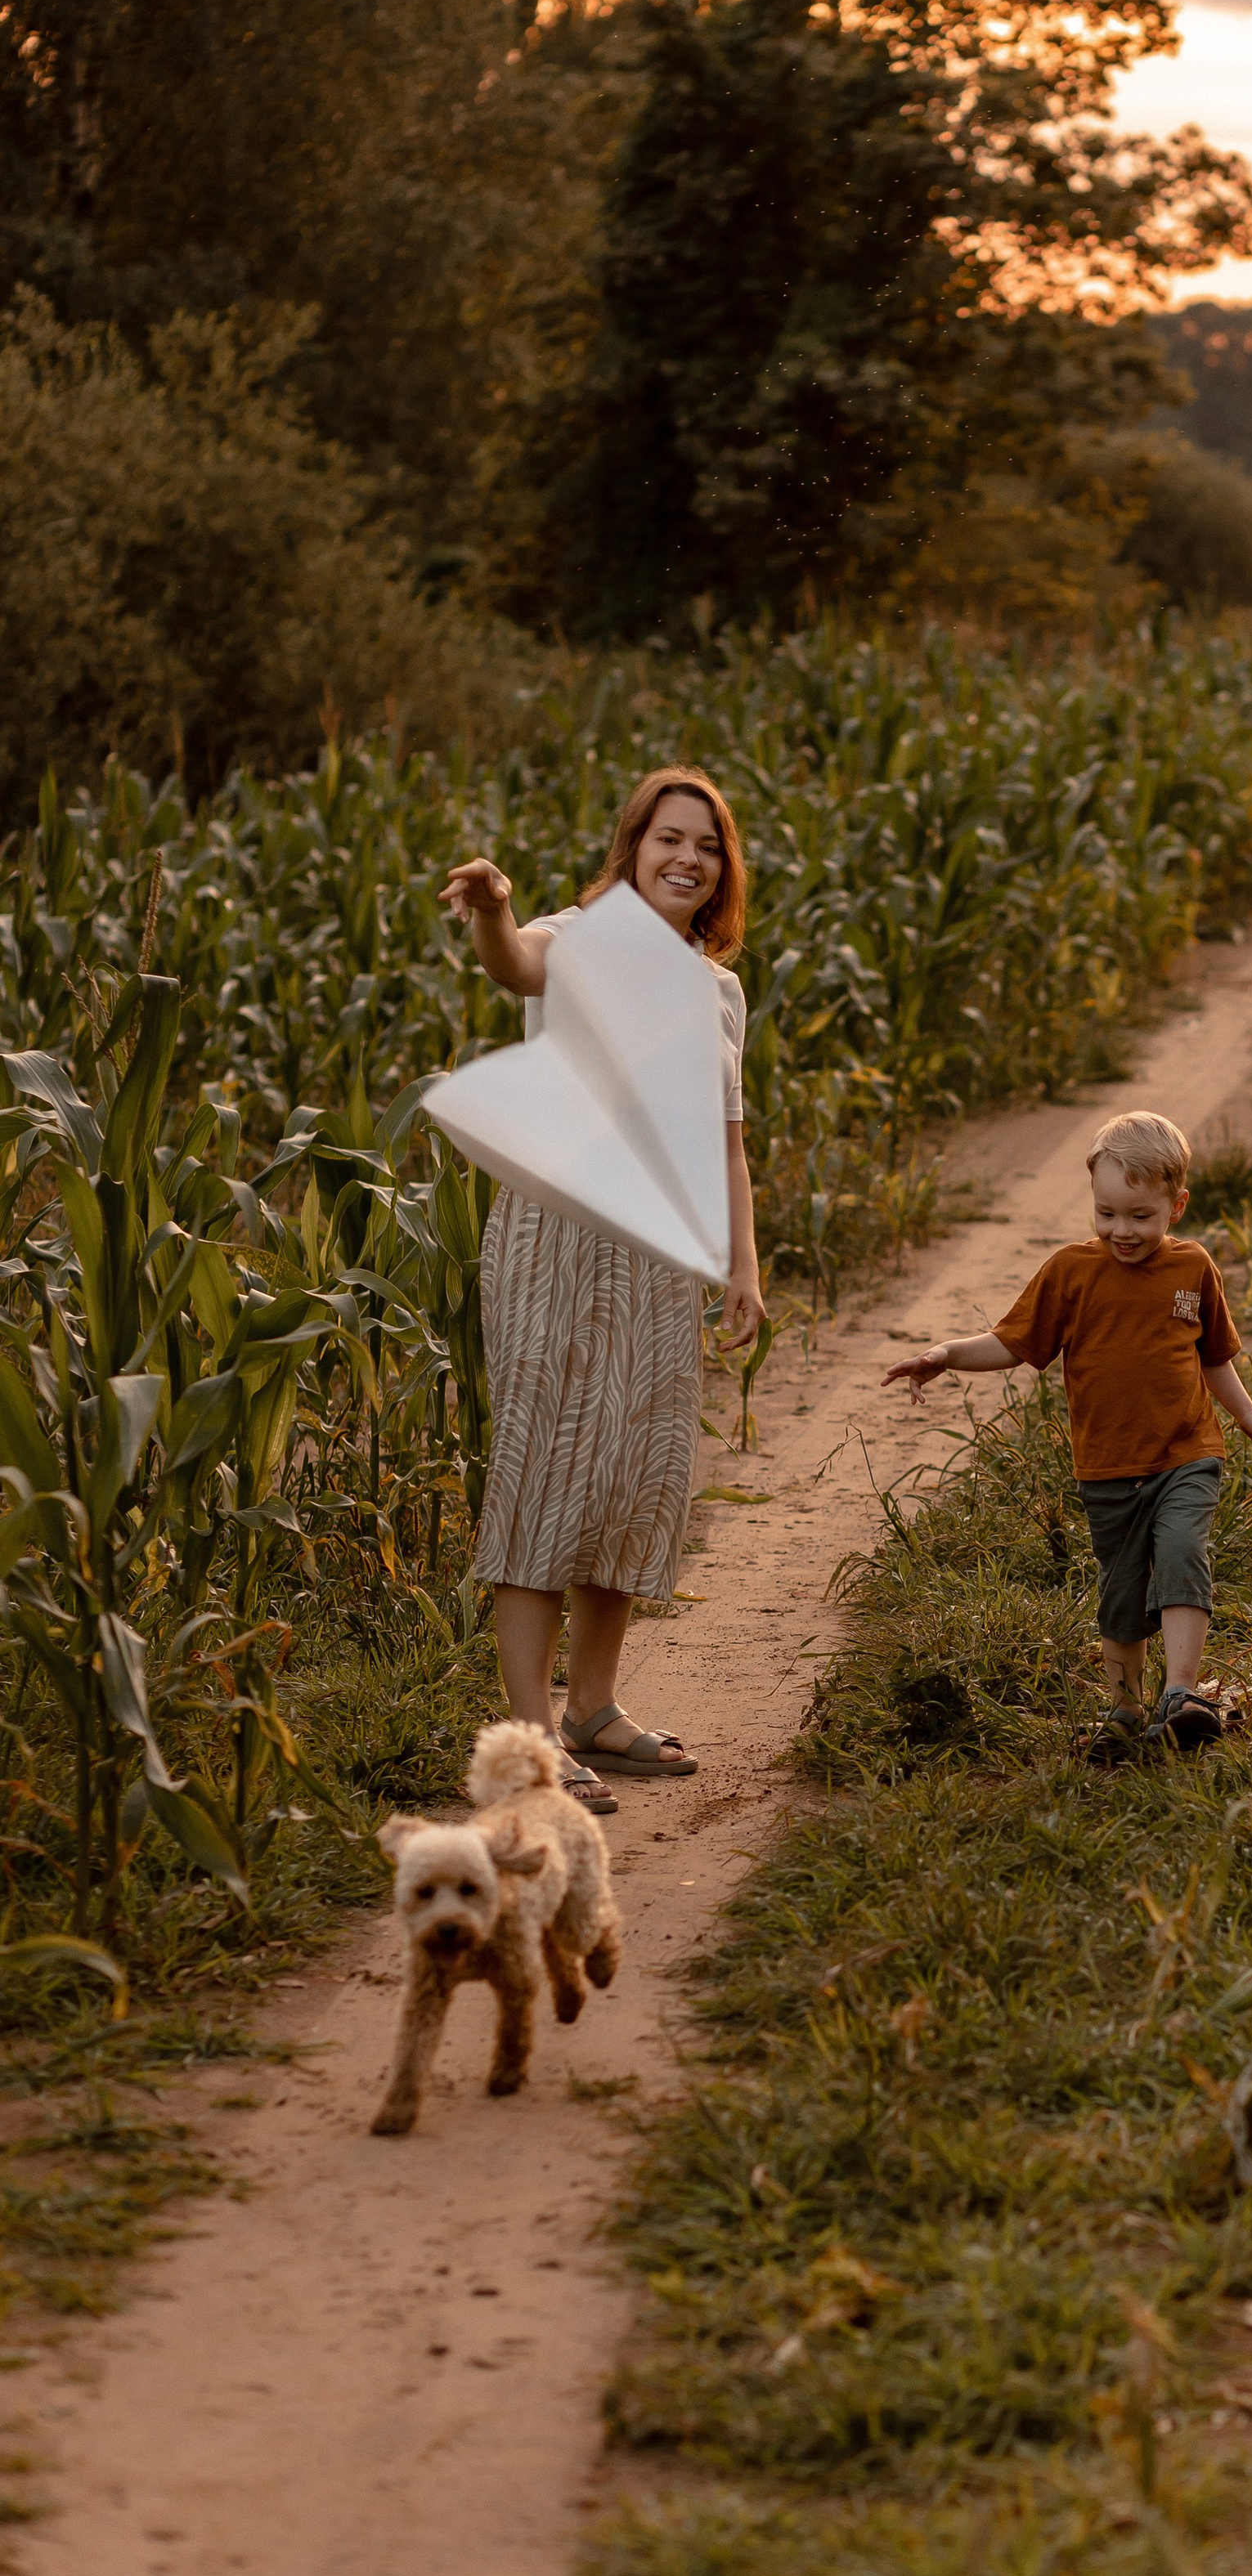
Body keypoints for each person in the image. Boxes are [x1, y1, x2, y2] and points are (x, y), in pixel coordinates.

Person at [441, 768, 765, 1813]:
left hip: (662, 1247)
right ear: (631, 847)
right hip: (557, 1234)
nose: (687, 858)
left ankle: (594, 1708)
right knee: (546, 1463)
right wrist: (492, 909)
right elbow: (514, 969)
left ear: (722, 870)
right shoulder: (571, 939)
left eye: (706, 846)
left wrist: (743, 1264)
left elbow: (727, 1145)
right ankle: (531, 1736)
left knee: (634, 1475)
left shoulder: (718, 989)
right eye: (668, 838)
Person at [882, 1110, 1252, 1761]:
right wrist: (947, 1353)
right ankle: (1125, 1710)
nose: (1122, 1231)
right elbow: (1014, 1343)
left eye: (1140, 1216)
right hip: (1106, 1466)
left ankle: (1181, 1697)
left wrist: (1246, 1414)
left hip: (1186, 1453)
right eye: (1107, 1214)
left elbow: (1214, 1355)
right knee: (1121, 1589)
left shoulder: (1193, 1267)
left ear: (1176, 1205)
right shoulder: (1070, 1272)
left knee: (1183, 1552)